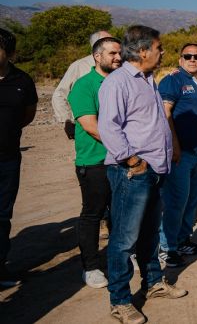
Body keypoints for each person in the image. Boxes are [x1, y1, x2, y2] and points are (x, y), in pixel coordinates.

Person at [98, 26, 187, 324]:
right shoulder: (118, 82)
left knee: (149, 233)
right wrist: (133, 160)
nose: (163, 53)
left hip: (154, 170)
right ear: (143, 50)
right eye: (159, 47)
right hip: (132, 172)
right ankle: (120, 301)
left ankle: (153, 283)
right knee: (123, 239)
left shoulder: (148, 79)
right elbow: (109, 127)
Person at [66, 36, 122, 289]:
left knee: (120, 213)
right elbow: (91, 126)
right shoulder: (85, 85)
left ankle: (121, 256)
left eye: (120, 53)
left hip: (121, 159)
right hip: (95, 160)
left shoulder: (122, 83)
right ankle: (90, 267)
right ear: (97, 57)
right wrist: (126, 147)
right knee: (93, 214)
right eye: (112, 53)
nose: (118, 57)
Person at [157, 44, 197, 268]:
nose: (193, 60)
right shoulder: (172, 81)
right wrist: (174, 145)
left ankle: (182, 241)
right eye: (188, 56)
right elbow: (165, 113)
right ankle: (166, 247)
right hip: (181, 154)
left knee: (192, 201)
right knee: (175, 202)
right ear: (180, 59)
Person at [0, 28, 37, 288]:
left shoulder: (23, 81)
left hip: (8, 159)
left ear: (10, 52)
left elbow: (28, 115)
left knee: (2, 216)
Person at [52, 30, 112, 139]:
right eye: (108, 41)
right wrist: (67, 120)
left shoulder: (117, 65)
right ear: (96, 45)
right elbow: (60, 94)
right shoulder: (79, 66)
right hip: (87, 129)